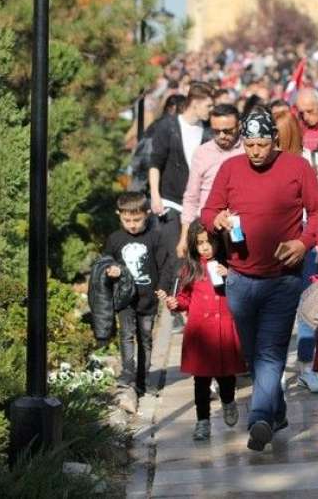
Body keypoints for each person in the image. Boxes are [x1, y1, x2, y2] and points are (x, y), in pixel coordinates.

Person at [200, 109, 318, 452]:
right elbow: (207, 212)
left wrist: (303, 243)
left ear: (274, 141)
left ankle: (259, 419)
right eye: (250, 144)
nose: (255, 151)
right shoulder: (230, 168)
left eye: (262, 144)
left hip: (282, 279)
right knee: (254, 355)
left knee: (270, 353)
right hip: (240, 277)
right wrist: (218, 219)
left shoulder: (297, 168)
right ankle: (277, 412)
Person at [163, 220, 247, 441]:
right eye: (200, 243)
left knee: (227, 376)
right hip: (200, 332)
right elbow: (184, 297)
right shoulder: (189, 268)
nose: (205, 247)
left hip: (223, 329)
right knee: (201, 380)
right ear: (193, 245)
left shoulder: (229, 264)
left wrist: (231, 275)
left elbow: (244, 290)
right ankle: (203, 421)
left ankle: (228, 401)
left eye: (209, 242)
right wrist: (176, 304)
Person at [274, 109, 318, 393]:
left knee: (309, 309)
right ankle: (278, 368)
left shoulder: (311, 162)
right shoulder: (264, 165)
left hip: (307, 245)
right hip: (274, 246)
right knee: (278, 309)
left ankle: (306, 366)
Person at [103, 192, 171, 397]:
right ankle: (128, 373)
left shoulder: (155, 238)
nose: (132, 224)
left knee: (146, 338)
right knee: (126, 335)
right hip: (124, 299)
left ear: (147, 214)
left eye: (137, 220)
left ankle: (143, 377)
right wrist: (111, 269)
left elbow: (165, 265)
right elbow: (106, 262)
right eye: (127, 220)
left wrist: (163, 286)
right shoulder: (115, 239)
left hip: (148, 298)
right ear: (119, 215)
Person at [148, 82, 214, 276]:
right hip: (171, 201)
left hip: (198, 203)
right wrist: (155, 195)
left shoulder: (209, 130)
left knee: (199, 257)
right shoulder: (168, 126)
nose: (211, 110)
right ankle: (177, 301)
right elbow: (155, 163)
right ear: (194, 102)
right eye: (208, 105)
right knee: (178, 256)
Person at [177, 104, 244, 258]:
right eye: (216, 131)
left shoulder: (248, 150)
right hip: (208, 231)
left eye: (227, 131)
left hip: (238, 228)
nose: (221, 135)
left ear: (238, 126)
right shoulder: (202, 153)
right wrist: (184, 238)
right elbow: (191, 197)